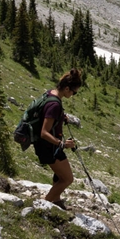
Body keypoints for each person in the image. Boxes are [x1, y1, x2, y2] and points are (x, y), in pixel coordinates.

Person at [32, 68, 83, 209]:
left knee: (60, 174)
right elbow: (44, 132)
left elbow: (47, 117)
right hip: (48, 147)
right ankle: (44, 204)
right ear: (67, 88)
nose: (73, 94)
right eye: (74, 92)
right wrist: (62, 144)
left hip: (49, 146)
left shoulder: (51, 94)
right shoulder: (54, 105)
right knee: (67, 179)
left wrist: (61, 117)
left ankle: (56, 201)